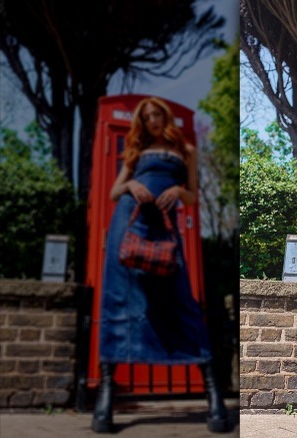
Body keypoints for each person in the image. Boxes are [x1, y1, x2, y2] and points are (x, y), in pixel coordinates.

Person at [92, 97, 227, 433]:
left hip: (163, 232)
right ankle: (106, 395)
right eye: (147, 116)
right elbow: (113, 192)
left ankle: (213, 393)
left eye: (156, 114)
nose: (152, 120)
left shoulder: (186, 151)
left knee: (182, 302)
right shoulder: (136, 152)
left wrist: (178, 191)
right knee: (119, 300)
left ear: (165, 117)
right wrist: (132, 183)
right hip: (129, 225)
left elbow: (193, 195)